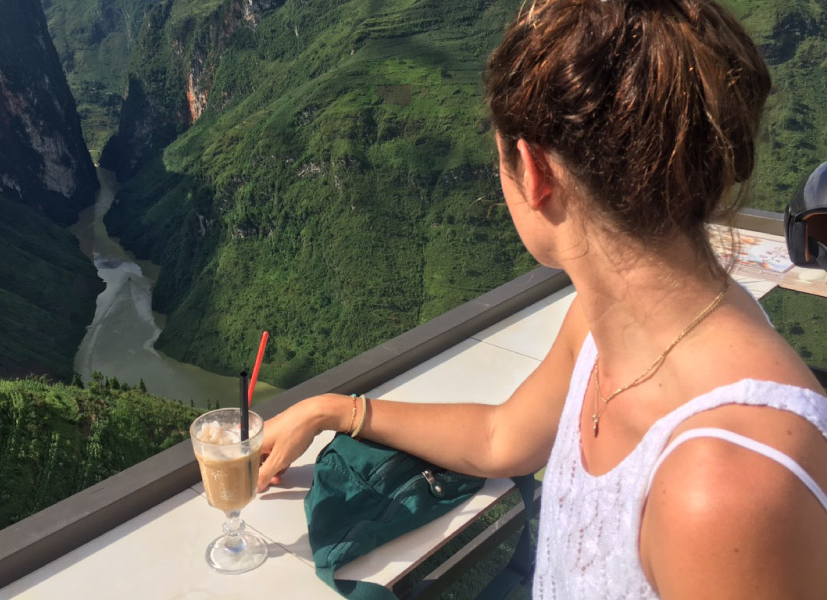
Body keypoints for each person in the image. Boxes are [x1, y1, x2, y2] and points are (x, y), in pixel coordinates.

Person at [257, 0, 827, 598]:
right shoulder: (606, 324)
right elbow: (503, 438)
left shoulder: (723, 485)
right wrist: (337, 411)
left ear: (533, 171)